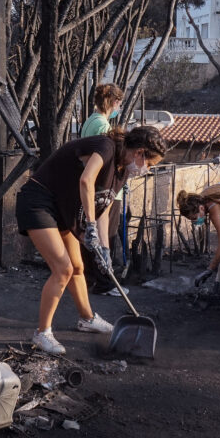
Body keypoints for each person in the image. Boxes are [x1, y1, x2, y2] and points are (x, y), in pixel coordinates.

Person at [16, 126, 167, 355]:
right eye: (151, 163)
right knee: (63, 269)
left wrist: (104, 250)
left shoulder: (122, 170)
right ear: (140, 152)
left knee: (78, 267)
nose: (147, 168)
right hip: (38, 201)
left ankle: (86, 319)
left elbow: (103, 208)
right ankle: (42, 333)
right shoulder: (106, 146)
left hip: (60, 209)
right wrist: (90, 225)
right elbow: (86, 181)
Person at [80, 83, 126, 295]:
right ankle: (106, 282)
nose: (120, 107)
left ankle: (95, 280)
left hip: (96, 187)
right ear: (114, 102)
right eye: (119, 103)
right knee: (107, 235)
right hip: (104, 188)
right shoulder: (102, 126)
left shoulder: (91, 121)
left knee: (94, 237)